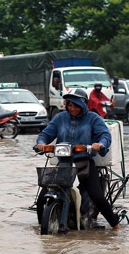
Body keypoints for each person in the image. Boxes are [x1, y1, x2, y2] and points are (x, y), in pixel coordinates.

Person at [35, 91, 121, 230]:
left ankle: (115, 226)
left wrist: (100, 144)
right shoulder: (60, 118)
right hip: (63, 163)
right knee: (41, 198)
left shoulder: (93, 118)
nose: (72, 109)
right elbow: (46, 133)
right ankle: (41, 226)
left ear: (83, 105)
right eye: (69, 105)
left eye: (75, 105)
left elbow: (104, 135)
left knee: (97, 196)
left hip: (84, 162)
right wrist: (41, 143)